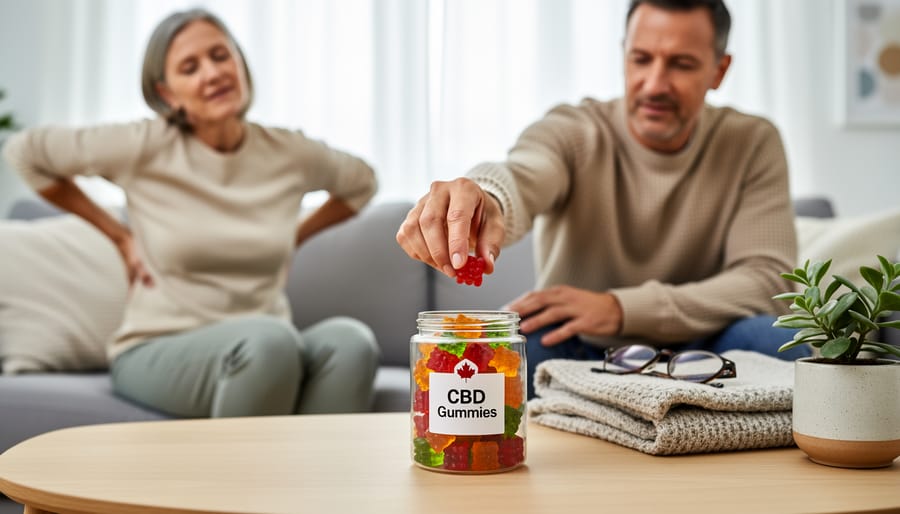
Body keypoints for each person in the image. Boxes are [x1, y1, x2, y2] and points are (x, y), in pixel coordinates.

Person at [396, 0, 809, 398]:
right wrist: (486, 199)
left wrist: (622, 308)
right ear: (623, 54)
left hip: (706, 347)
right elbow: (522, 175)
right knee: (507, 354)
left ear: (719, 70)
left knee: (781, 339)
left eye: (681, 64)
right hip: (581, 346)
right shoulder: (575, 130)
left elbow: (768, 278)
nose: (654, 83)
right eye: (640, 58)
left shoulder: (752, 142)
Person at [3, 8, 381, 416]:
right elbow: (25, 153)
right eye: (190, 67)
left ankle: (315, 478)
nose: (212, 72)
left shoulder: (287, 152)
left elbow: (362, 182)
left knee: (351, 342)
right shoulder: (144, 144)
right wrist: (120, 235)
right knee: (269, 342)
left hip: (268, 343)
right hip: (160, 347)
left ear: (239, 62)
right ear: (167, 93)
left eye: (220, 56)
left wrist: (295, 237)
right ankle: (234, 482)